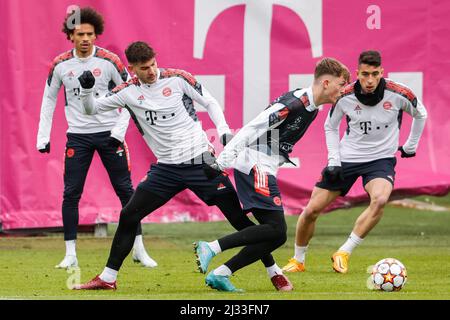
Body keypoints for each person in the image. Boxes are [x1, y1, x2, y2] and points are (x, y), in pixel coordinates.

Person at [72, 41, 288, 291]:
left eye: (153, 64)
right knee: (129, 214)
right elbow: (90, 110)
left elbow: (211, 102)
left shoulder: (177, 79)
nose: (151, 71)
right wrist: (86, 90)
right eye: (144, 68)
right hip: (166, 169)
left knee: (238, 220)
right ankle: (108, 278)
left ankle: (275, 272)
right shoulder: (126, 91)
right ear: (132, 68)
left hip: (201, 162)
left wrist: (224, 132)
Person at [195, 58, 350, 292]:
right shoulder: (294, 103)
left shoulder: (313, 107)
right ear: (326, 82)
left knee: (274, 233)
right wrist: (222, 162)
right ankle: (213, 248)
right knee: (276, 230)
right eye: (341, 84)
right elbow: (252, 128)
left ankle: (223, 273)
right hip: (256, 164)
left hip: (264, 165)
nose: (343, 89)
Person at [283, 50, 428, 274]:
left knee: (380, 200)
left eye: (374, 74)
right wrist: (334, 160)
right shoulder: (345, 95)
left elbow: (421, 114)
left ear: (382, 72)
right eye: (364, 74)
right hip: (347, 158)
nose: (369, 80)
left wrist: (411, 145)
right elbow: (330, 126)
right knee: (312, 210)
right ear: (357, 73)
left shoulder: (399, 93)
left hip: (380, 160)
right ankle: (298, 260)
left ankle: (344, 252)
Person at [36, 7, 156, 269]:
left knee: (127, 192)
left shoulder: (109, 61)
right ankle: (70, 254)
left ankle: (139, 249)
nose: (85, 38)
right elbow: (49, 99)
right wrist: (42, 136)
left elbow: (132, 96)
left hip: (109, 135)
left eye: (90, 33)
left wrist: (118, 131)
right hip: (78, 137)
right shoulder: (60, 65)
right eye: (79, 33)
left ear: (96, 34)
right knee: (71, 193)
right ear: (70, 36)